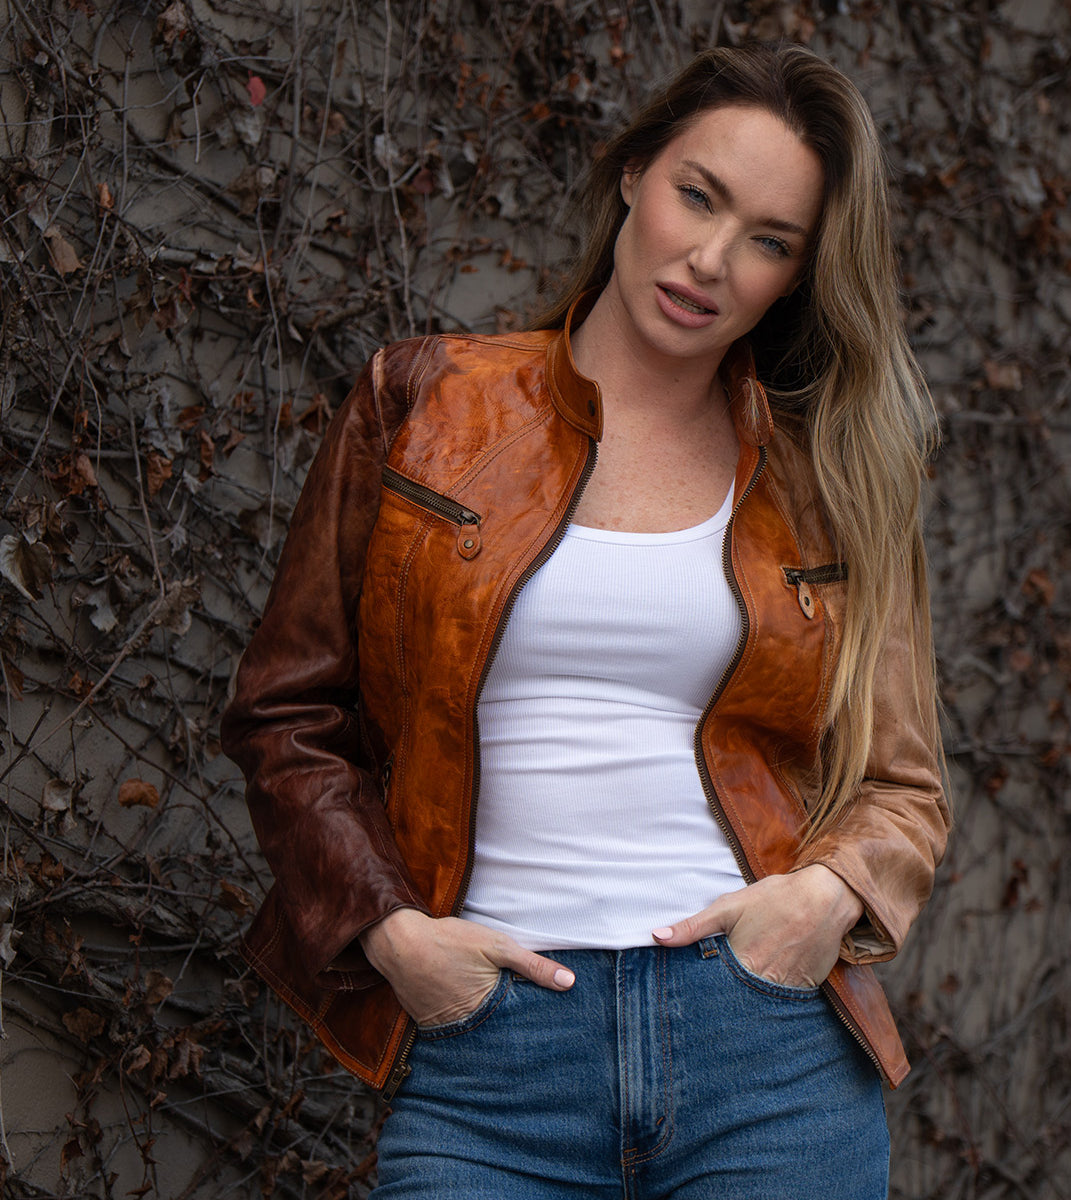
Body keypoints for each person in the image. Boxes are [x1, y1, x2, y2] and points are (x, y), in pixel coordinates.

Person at [221, 41, 949, 1199]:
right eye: (697, 196)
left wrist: (820, 903)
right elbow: (285, 711)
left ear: (797, 278)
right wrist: (393, 935)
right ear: (633, 173)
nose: (710, 260)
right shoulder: (426, 407)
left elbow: (903, 785)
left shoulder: (828, 479)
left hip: (763, 1057)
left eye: (769, 241)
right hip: (488, 1062)